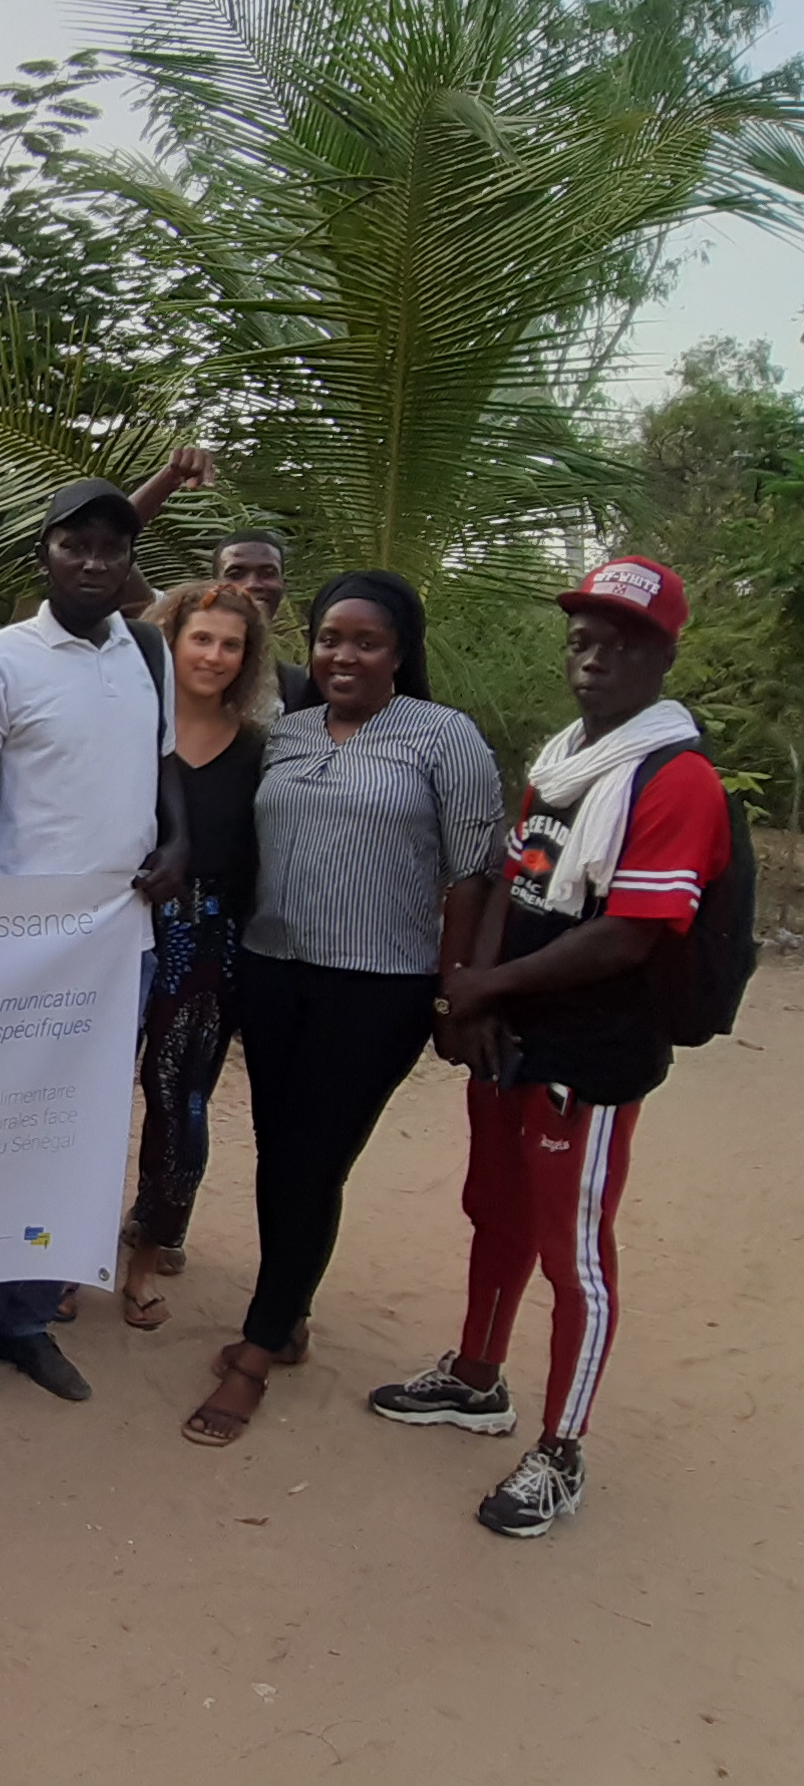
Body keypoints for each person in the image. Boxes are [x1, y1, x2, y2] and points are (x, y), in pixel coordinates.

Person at [378, 557, 730, 1538]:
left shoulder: (675, 779)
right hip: (514, 1037)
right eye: (580, 632)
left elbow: (627, 933)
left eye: (618, 637)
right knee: (492, 1210)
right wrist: (476, 997)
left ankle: (559, 1449)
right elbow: (511, 880)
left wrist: (480, 987)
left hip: (592, 1055)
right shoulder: (563, 760)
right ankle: (475, 1377)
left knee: (574, 1253)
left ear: (661, 652)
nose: (592, 651)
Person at [183, 571, 502, 1447]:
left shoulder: (444, 738)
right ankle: (287, 1319)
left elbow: (476, 872)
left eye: (365, 641)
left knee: (314, 1159)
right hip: (272, 970)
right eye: (330, 638)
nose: (343, 655)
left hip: (382, 986)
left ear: (400, 651)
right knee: (278, 1151)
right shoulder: (280, 736)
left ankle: (254, 1348)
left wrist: (452, 987)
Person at [0, 478, 190, 1410]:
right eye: (75, 545)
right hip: (21, 946)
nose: (94, 562)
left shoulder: (149, 649)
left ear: (131, 562)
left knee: (81, 1136)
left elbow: (164, 768)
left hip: (119, 940)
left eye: (112, 549)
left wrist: (180, 844)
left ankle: (31, 1320)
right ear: (44, 553)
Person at [119, 581, 272, 1327]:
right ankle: (65, 1248)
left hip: (208, 941)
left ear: (247, 657)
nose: (213, 655)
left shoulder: (259, 749)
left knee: (179, 1100)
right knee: (91, 1096)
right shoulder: (127, 724)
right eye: (200, 639)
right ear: (171, 641)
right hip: (119, 930)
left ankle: (147, 1252)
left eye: (230, 644)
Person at [211, 530, 315, 713]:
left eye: (267, 573)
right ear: (213, 587)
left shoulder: (297, 686)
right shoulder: (182, 669)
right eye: (236, 574)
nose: (252, 584)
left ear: (284, 585)